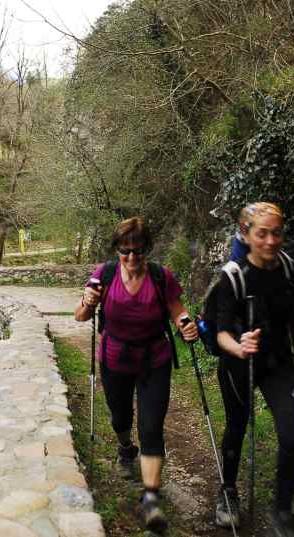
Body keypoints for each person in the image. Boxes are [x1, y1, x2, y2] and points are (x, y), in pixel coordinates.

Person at [74, 216, 199, 533]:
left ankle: (151, 498)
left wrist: (186, 325)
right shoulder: (105, 274)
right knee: (120, 417)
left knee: (152, 426)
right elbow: (81, 316)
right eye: (125, 250)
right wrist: (87, 301)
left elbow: (178, 310)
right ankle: (125, 447)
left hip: (154, 360)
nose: (131, 257)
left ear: (147, 249)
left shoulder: (160, 276)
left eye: (138, 250)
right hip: (114, 359)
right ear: (117, 249)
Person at [214, 202, 294, 537]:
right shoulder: (234, 276)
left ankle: (282, 511)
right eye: (262, 233)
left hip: (278, 362)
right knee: (237, 425)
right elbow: (222, 332)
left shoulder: (292, 270)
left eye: (276, 233)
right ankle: (227, 491)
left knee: (292, 436)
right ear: (246, 234)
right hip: (238, 362)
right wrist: (239, 347)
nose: (270, 241)